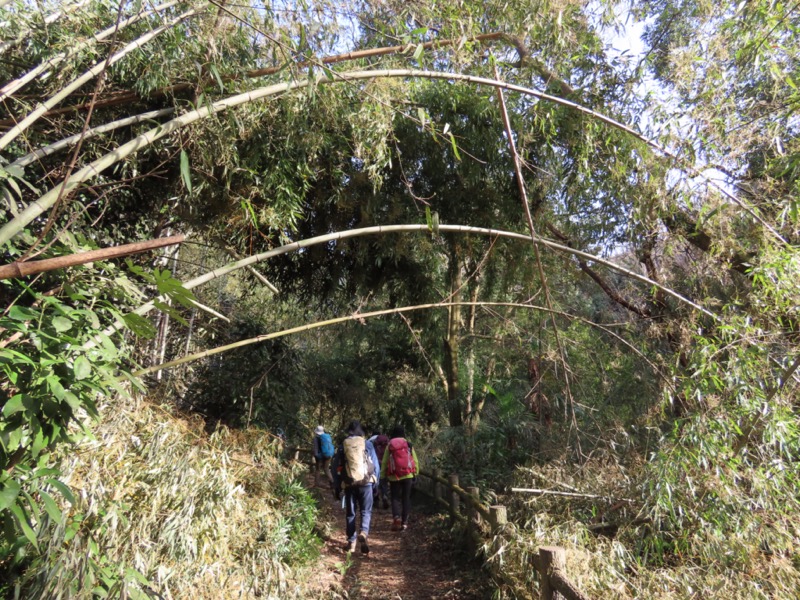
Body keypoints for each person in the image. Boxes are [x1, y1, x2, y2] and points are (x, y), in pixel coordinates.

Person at [333, 421, 379, 554]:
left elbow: (336, 466)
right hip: (366, 483)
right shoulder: (368, 444)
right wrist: (375, 484)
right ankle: (364, 532)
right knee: (366, 511)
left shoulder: (344, 445)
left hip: (349, 483)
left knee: (351, 513)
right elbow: (375, 465)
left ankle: (351, 543)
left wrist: (337, 486)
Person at [381, 425, 419, 531]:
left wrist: (383, 475)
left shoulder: (390, 445)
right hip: (408, 475)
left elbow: (384, 462)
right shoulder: (408, 444)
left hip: (394, 475)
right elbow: (415, 460)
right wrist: (416, 473)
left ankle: (396, 517)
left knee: (395, 498)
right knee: (406, 498)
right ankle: (405, 523)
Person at [368, 431, 390, 509]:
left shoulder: (371, 441)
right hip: (385, 463)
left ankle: (376, 500)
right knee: (384, 481)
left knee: (375, 480)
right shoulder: (385, 439)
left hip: (375, 462)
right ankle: (384, 495)